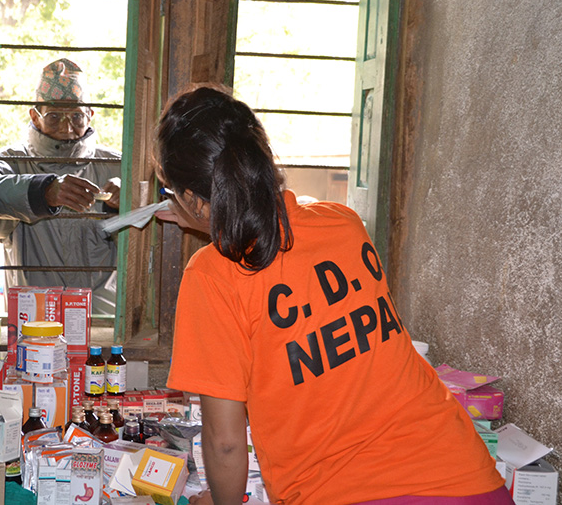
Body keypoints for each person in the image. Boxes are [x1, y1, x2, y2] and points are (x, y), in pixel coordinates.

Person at [156, 86, 513, 505]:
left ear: (195, 202)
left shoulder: (212, 275)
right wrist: (217, 223)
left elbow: (225, 443)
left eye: (172, 192)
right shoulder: (343, 223)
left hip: (348, 491)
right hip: (466, 477)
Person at [0, 58, 121, 315]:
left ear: (91, 113)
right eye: (54, 116)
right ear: (35, 115)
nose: (67, 127)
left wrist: (123, 205)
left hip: (103, 323)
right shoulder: (12, 163)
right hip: (34, 323)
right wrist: (41, 192)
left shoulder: (118, 167)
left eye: (77, 115)